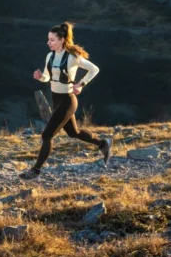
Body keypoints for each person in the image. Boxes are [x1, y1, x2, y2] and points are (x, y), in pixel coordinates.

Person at [20, 22, 112, 180]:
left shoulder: (72, 56)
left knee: (47, 135)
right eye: (48, 39)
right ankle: (103, 143)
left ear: (62, 39)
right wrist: (40, 77)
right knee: (73, 132)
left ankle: (35, 171)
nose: (48, 42)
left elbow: (94, 69)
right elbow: (48, 77)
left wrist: (81, 84)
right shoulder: (50, 56)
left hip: (68, 101)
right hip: (56, 99)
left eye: (52, 40)